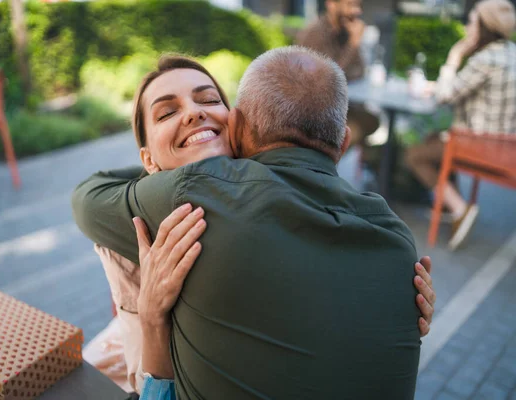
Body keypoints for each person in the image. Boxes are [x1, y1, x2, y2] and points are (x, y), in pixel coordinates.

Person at [73, 47, 428, 399]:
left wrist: (170, 164)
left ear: (237, 125)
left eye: (209, 101)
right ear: (345, 142)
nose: (194, 114)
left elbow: (88, 196)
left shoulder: (196, 195)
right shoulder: (397, 242)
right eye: (167, 112)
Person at [406, 0, 516, 250]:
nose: (467, 27)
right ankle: (450, 203)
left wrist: (454, 57)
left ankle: (459, 208)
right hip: (506, 147)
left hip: (479, 147)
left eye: (472, 21)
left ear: (484, 26)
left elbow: (445, 96)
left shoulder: (487, 59)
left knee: (414, 154)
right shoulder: (511, 52)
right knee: (434, 137)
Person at [296, 0, 379, 146]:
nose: (357, 11)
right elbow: (328, 79)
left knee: (371, 120)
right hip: (315, 115)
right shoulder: (315, 34)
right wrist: (353, 43)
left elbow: (359, 71)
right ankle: (324, 159)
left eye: (359, 6)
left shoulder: (344, 31)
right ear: (331, 4)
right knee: (359, 126)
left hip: (336, 108)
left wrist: (354, 44)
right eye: (351, 5)